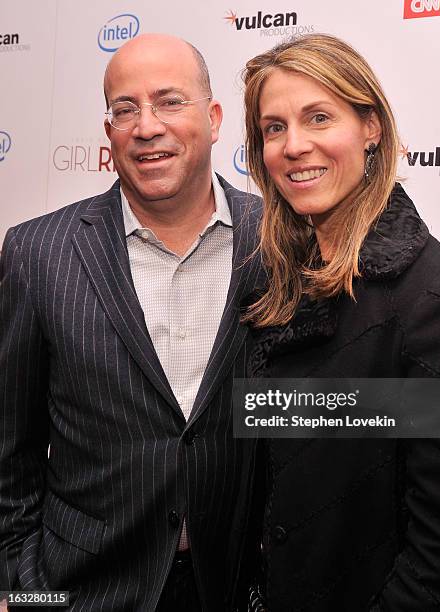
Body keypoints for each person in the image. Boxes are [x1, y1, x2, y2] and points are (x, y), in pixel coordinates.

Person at [0, 33, 262, 611]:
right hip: (80, 590)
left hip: (234, 586)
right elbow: (10, 449)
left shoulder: (279, 241)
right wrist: (20, 592)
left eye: (170, 101)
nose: (146, 126)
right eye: (125, 109)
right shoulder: (38, 252)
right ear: (110, 131)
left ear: (214, 119)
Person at [242, 34, 440, 611]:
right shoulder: (277, 288)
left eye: (318, 117)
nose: (294, 146)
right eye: (274, 128)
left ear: (370, 127)